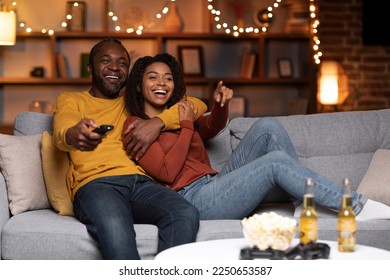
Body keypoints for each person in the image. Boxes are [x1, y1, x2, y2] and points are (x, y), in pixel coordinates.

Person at [123, 52, 390, 221]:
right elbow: (168, 173)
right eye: (153, 77)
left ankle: (301, 203)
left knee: (267, 126)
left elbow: (210, 128)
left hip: (215, 182)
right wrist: (183, 124)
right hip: (192, 200)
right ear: (139, 84)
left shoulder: (178, 112)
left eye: (168, 78)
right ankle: (356, 205)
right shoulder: (135, 127)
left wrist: (220, 105)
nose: (161, 83)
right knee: (274, 163)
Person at [52, 38, 207, 260]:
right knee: (117, 226)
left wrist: (157, 122)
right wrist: (74, 134)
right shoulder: (71, 100)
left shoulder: (132, 103)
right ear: (90, 68)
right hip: (97, 184)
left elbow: (197, 105)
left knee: (184, 212)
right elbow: (62, 131)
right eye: (105, 61)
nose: (115, 67)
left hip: (140, 182)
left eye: (122, 63)